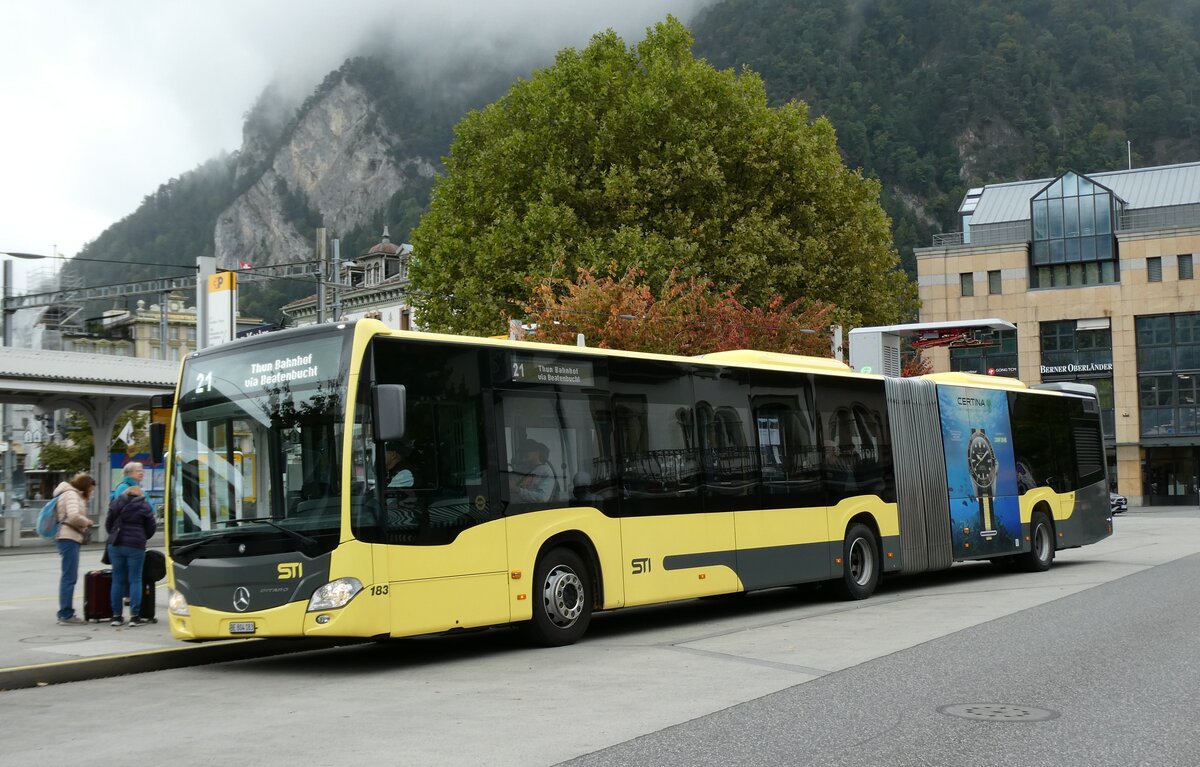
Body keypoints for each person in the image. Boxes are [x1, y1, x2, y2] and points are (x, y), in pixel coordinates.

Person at [105, 484, 158, 627]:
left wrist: (113, 535)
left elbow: (108, 524)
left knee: (117, 580)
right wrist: (142, 537)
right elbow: (152, 527)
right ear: (140, 494)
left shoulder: (116, 503)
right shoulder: (144, 506)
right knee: (135, 579)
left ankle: (116, 616)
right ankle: (134, 617)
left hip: (115, 544)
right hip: (136, 546)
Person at [53, 472, 96, 626]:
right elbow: (73, 516)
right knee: (69, 577)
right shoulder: (71, 494)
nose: (91, 493)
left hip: (67, 537)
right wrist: (87, 522)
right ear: (86, 486)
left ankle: (65, 613)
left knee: (68, 576)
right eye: (91, 489)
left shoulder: (68, 493)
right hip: (68, 537)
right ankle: (66, 614)